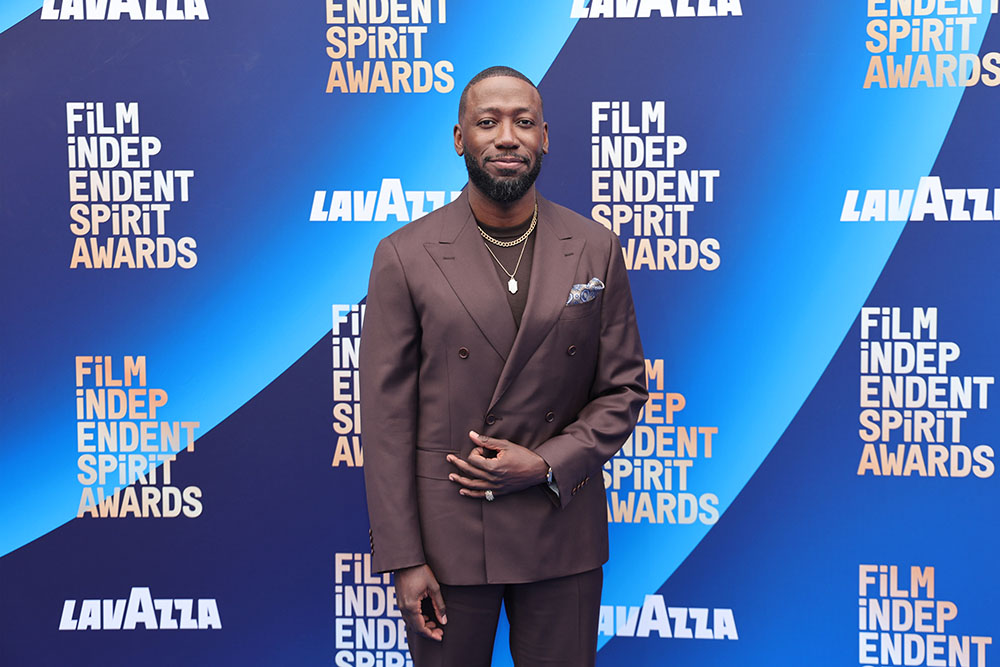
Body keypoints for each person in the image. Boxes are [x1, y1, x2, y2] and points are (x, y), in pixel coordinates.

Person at [360, 65, 647, 666]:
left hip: (560, 530)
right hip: (448, 543)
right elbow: (386, 424)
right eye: (488, 122)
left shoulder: (594, 246)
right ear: (460, 138)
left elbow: (622, 390)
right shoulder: (405, 256)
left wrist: (545, 462)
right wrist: (404, 558)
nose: (507, 136)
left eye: (523, 121)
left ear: (546, 136)